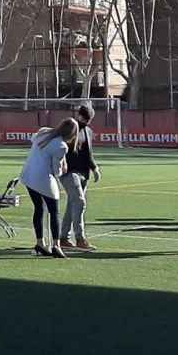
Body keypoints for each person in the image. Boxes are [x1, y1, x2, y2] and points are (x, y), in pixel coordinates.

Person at [19, 119, 78, 258]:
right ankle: (56, 246)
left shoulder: (43, 131)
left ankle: (40, 243)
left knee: (38, 208)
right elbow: (57, 172)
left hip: (28, 175)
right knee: (54, 212)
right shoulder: (62, 146)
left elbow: (34, 141)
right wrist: (64, 166)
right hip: (43, 178)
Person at [59, 104, 101, 251]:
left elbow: (88, 154)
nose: (86, 121)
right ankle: (80, 238)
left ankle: (63, 237)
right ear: (79, 115)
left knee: (72, 205)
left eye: (88, 119)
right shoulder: (70, 129)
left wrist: (94, 168)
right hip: (69, 172)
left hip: (84, 174)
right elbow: (60, 147)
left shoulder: (88, 131)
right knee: (80, 202)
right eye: (84, 117)